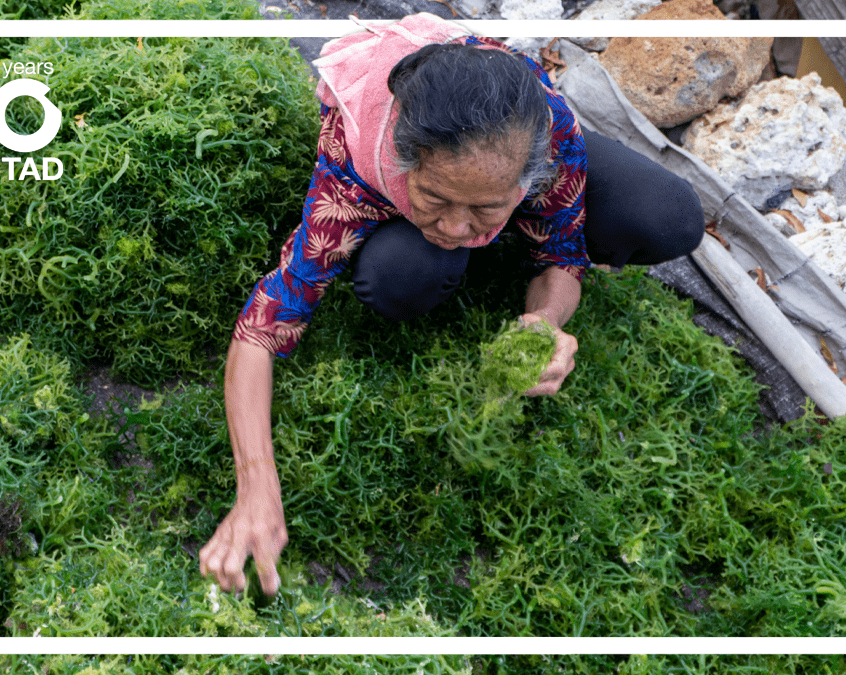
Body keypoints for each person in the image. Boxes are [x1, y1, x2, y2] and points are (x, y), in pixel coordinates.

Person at [198, 14, 704, 596]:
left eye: (486, 209)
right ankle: (444, 224)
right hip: (402, 163)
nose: (458, 226)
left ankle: (495, 218)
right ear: (404, 160)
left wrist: (546, 320)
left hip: (529, 150)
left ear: (524, 178)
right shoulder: (357, 153)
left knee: (668, 217)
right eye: (434, 197)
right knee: (400, 277)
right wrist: (256, 486)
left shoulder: (548, 133)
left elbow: (562, 259)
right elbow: (262, 328)